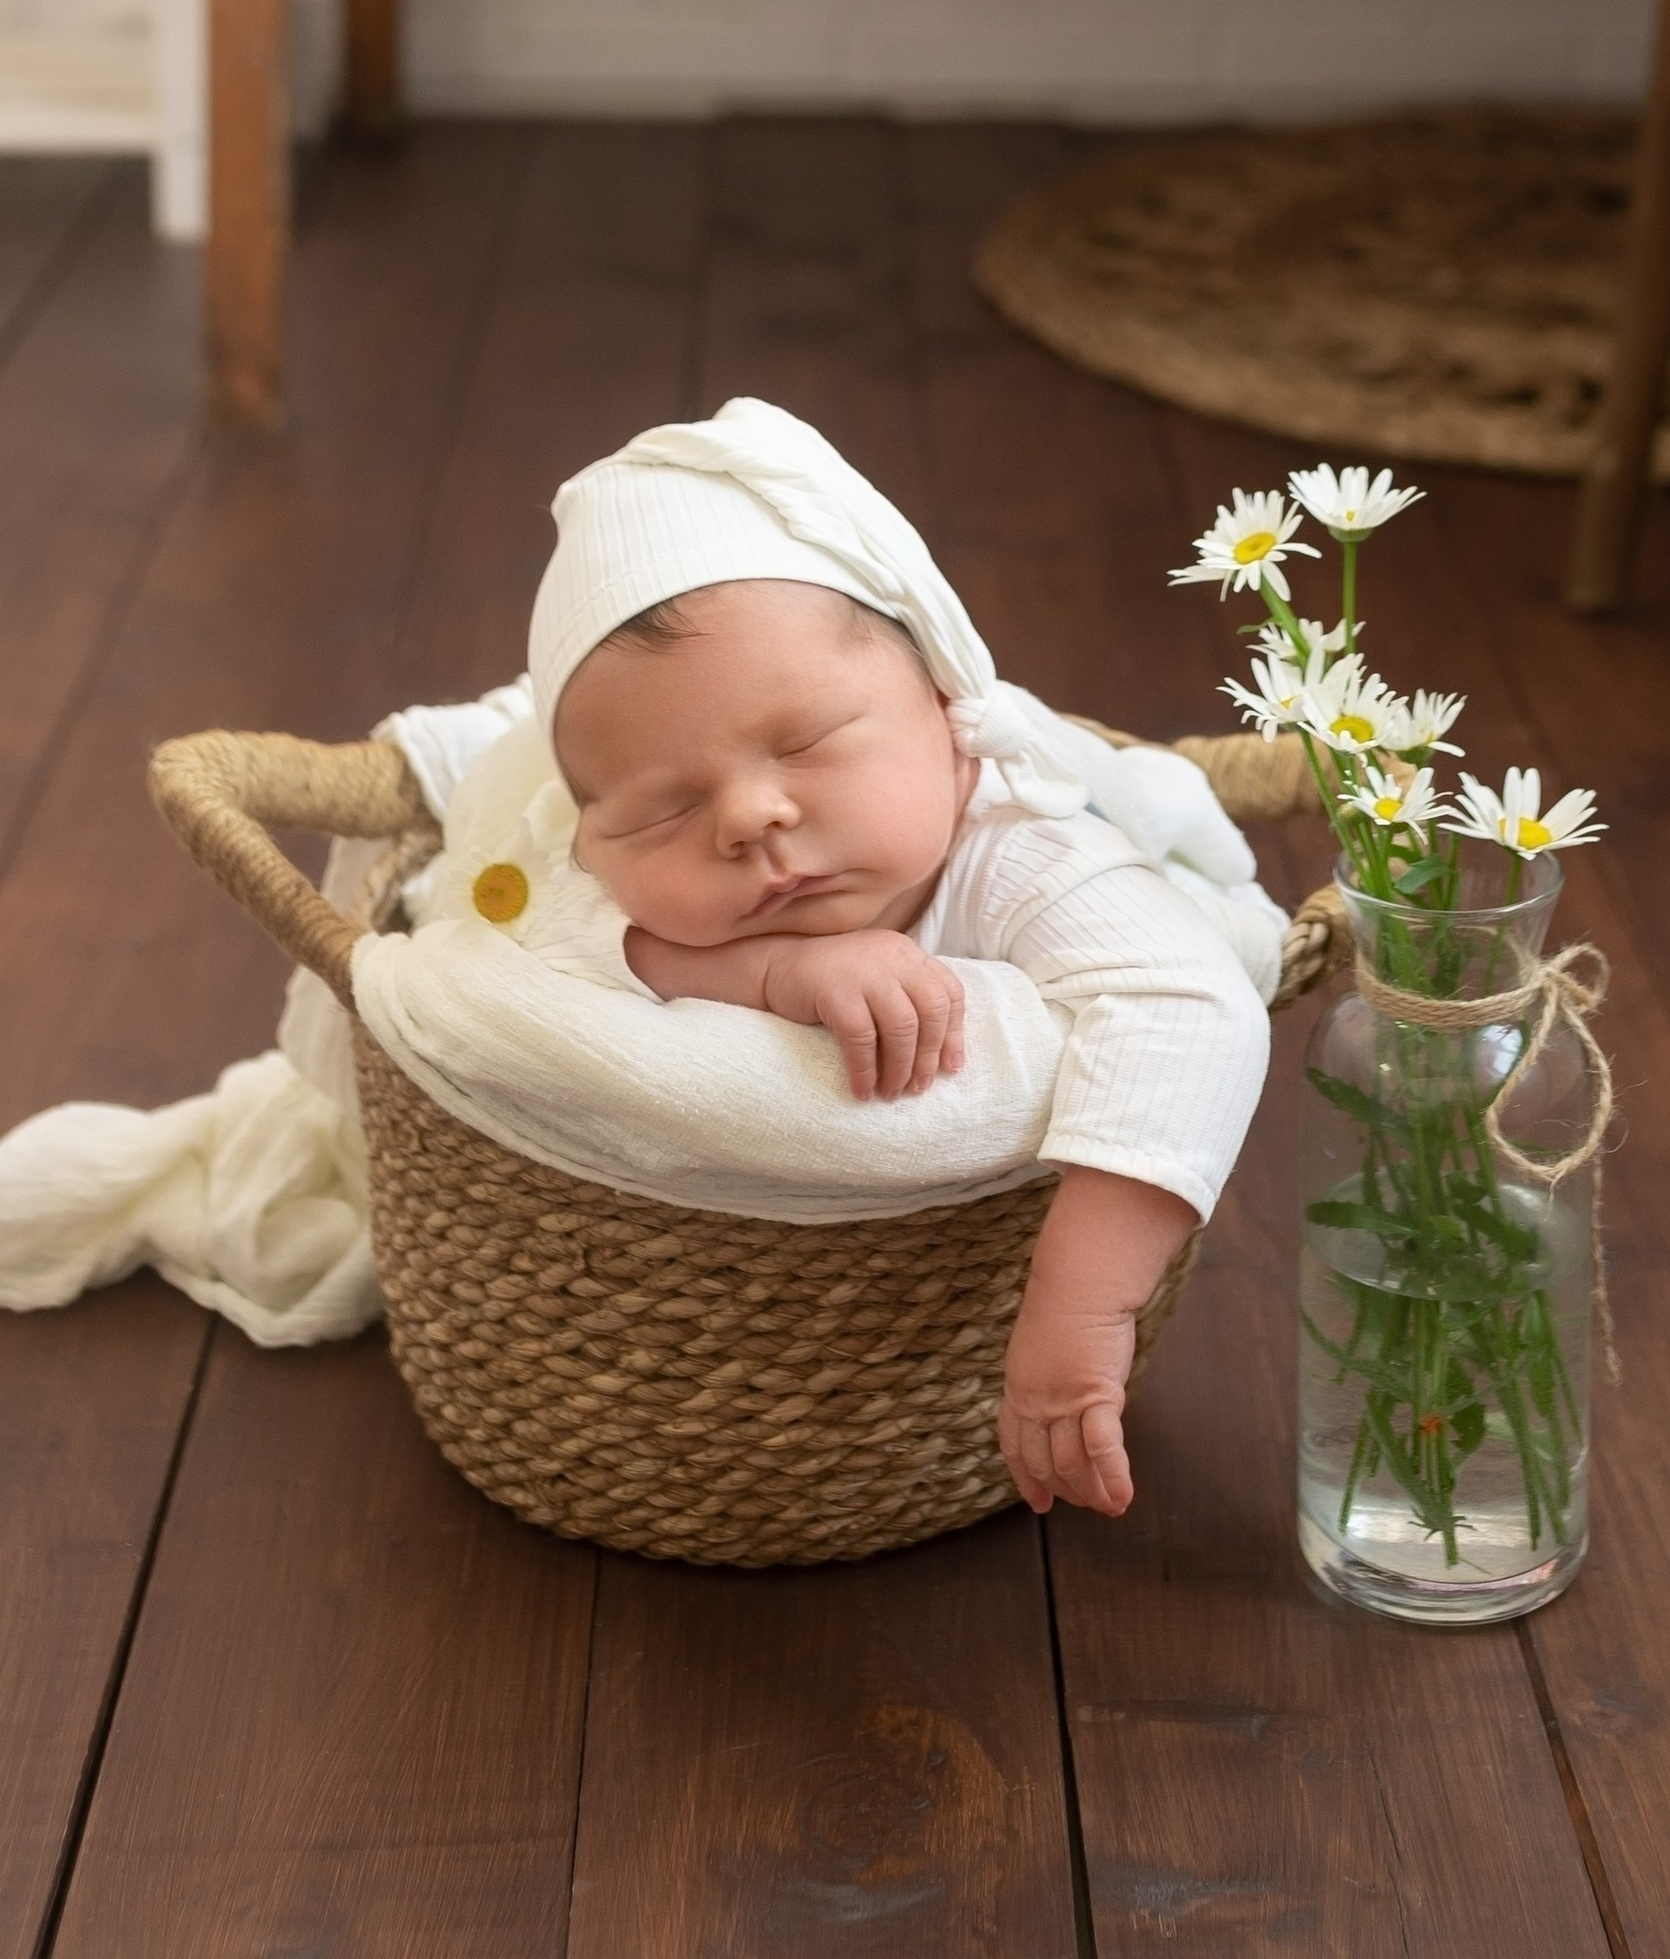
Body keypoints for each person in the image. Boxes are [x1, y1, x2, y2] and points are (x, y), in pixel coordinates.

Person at [526, 401, 1273, 1520]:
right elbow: (541, 944)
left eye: (811, 742)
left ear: (944, 704)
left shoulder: (1023, 849)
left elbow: (1188, 1006)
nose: (752, 816)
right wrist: (774, 973)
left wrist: (1082, 1312)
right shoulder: (593, 869)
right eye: (664, 809)